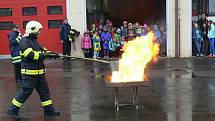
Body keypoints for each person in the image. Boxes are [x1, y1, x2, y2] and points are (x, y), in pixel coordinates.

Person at [7, 21, 60, 120]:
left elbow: (43, 50)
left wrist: (52, 54)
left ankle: (48, 110)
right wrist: (45, 55)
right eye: (38, 30)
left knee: (45, 92)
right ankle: (12, 110)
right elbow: (30, 55)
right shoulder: (24, 41)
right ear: (33, 29)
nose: (40, 32)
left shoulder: (35, 41)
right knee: (25, 92)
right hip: (29, 74)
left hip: (39, 73)